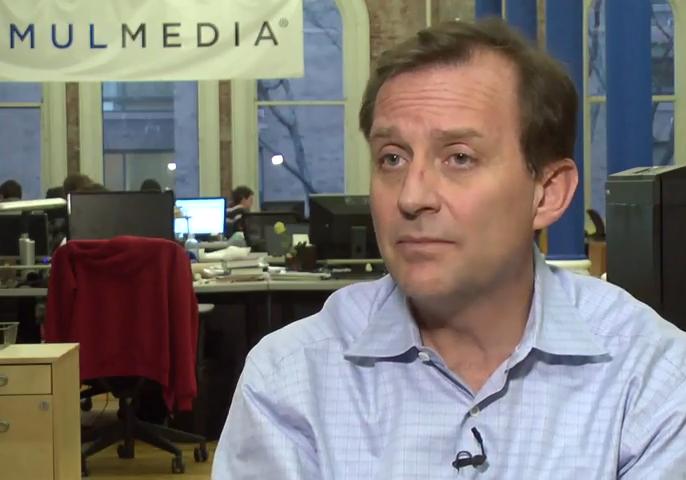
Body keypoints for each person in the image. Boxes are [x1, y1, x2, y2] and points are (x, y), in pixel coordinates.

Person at [213, 19, 686, 479]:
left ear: (547, 193)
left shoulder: (651, 376)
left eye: (459, 157)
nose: (411, 196)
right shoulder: (290, 379)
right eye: (392, 158)